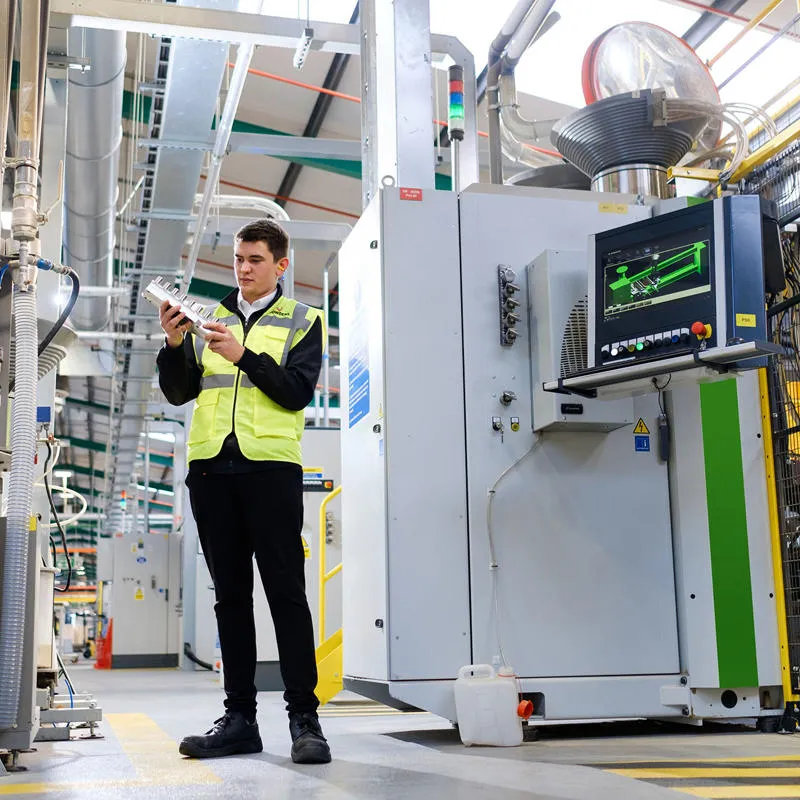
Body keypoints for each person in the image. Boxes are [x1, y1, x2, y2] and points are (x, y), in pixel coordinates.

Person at [157, 218, 330, 764]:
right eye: (238, 258)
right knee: (230, 599)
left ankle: (304, 719)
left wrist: (242, 356)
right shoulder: (208, 318)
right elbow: (179, 392)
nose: (243, 268)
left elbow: (296, 392)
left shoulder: (304, 320)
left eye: (255, 259)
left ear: (281, 265)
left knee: (286, 596)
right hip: (212, 471)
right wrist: (174, 342)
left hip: (270, 471)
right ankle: (239, 720)